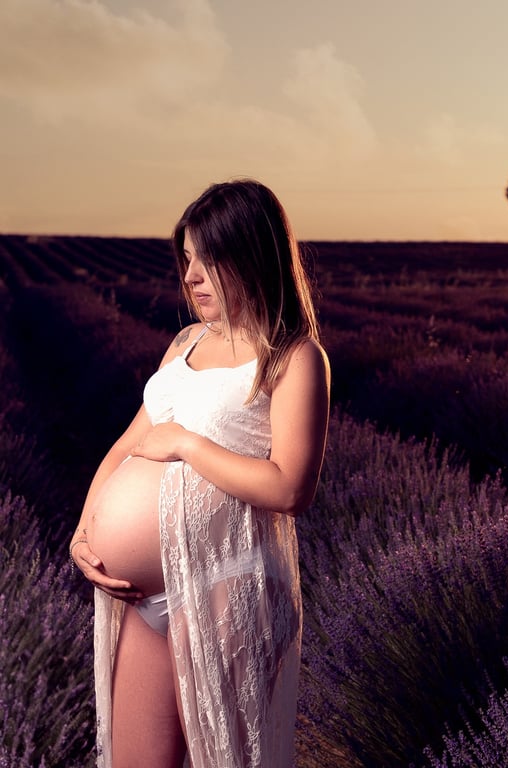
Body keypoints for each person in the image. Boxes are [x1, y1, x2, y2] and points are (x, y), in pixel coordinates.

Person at [69, 179, 331, 768]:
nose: (190, 276)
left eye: (209, 261)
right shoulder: (185, 342)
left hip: (225, 580)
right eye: (187, 259)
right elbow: (129, 445)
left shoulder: (294, 357)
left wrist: (188, 444)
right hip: (147, 591)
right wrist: (85, 534)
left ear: (252, 257)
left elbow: (291, 487)